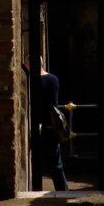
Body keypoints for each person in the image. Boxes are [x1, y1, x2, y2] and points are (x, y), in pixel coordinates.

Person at [40, 60, 69, 191]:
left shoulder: (35, 81)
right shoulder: (54, 79)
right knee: (56, 162)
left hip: (41, 125)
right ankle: (63, 191)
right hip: (53, 125)